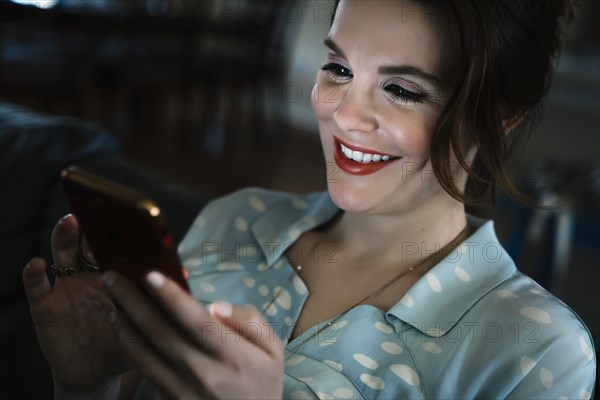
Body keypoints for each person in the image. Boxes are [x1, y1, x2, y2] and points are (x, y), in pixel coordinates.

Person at [23, 0, 596, 398]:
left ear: (497, 121)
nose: (343, 114)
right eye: (338, 68)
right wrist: (85, 382)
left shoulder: (536, 352)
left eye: (401, 89)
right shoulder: (234, 220)